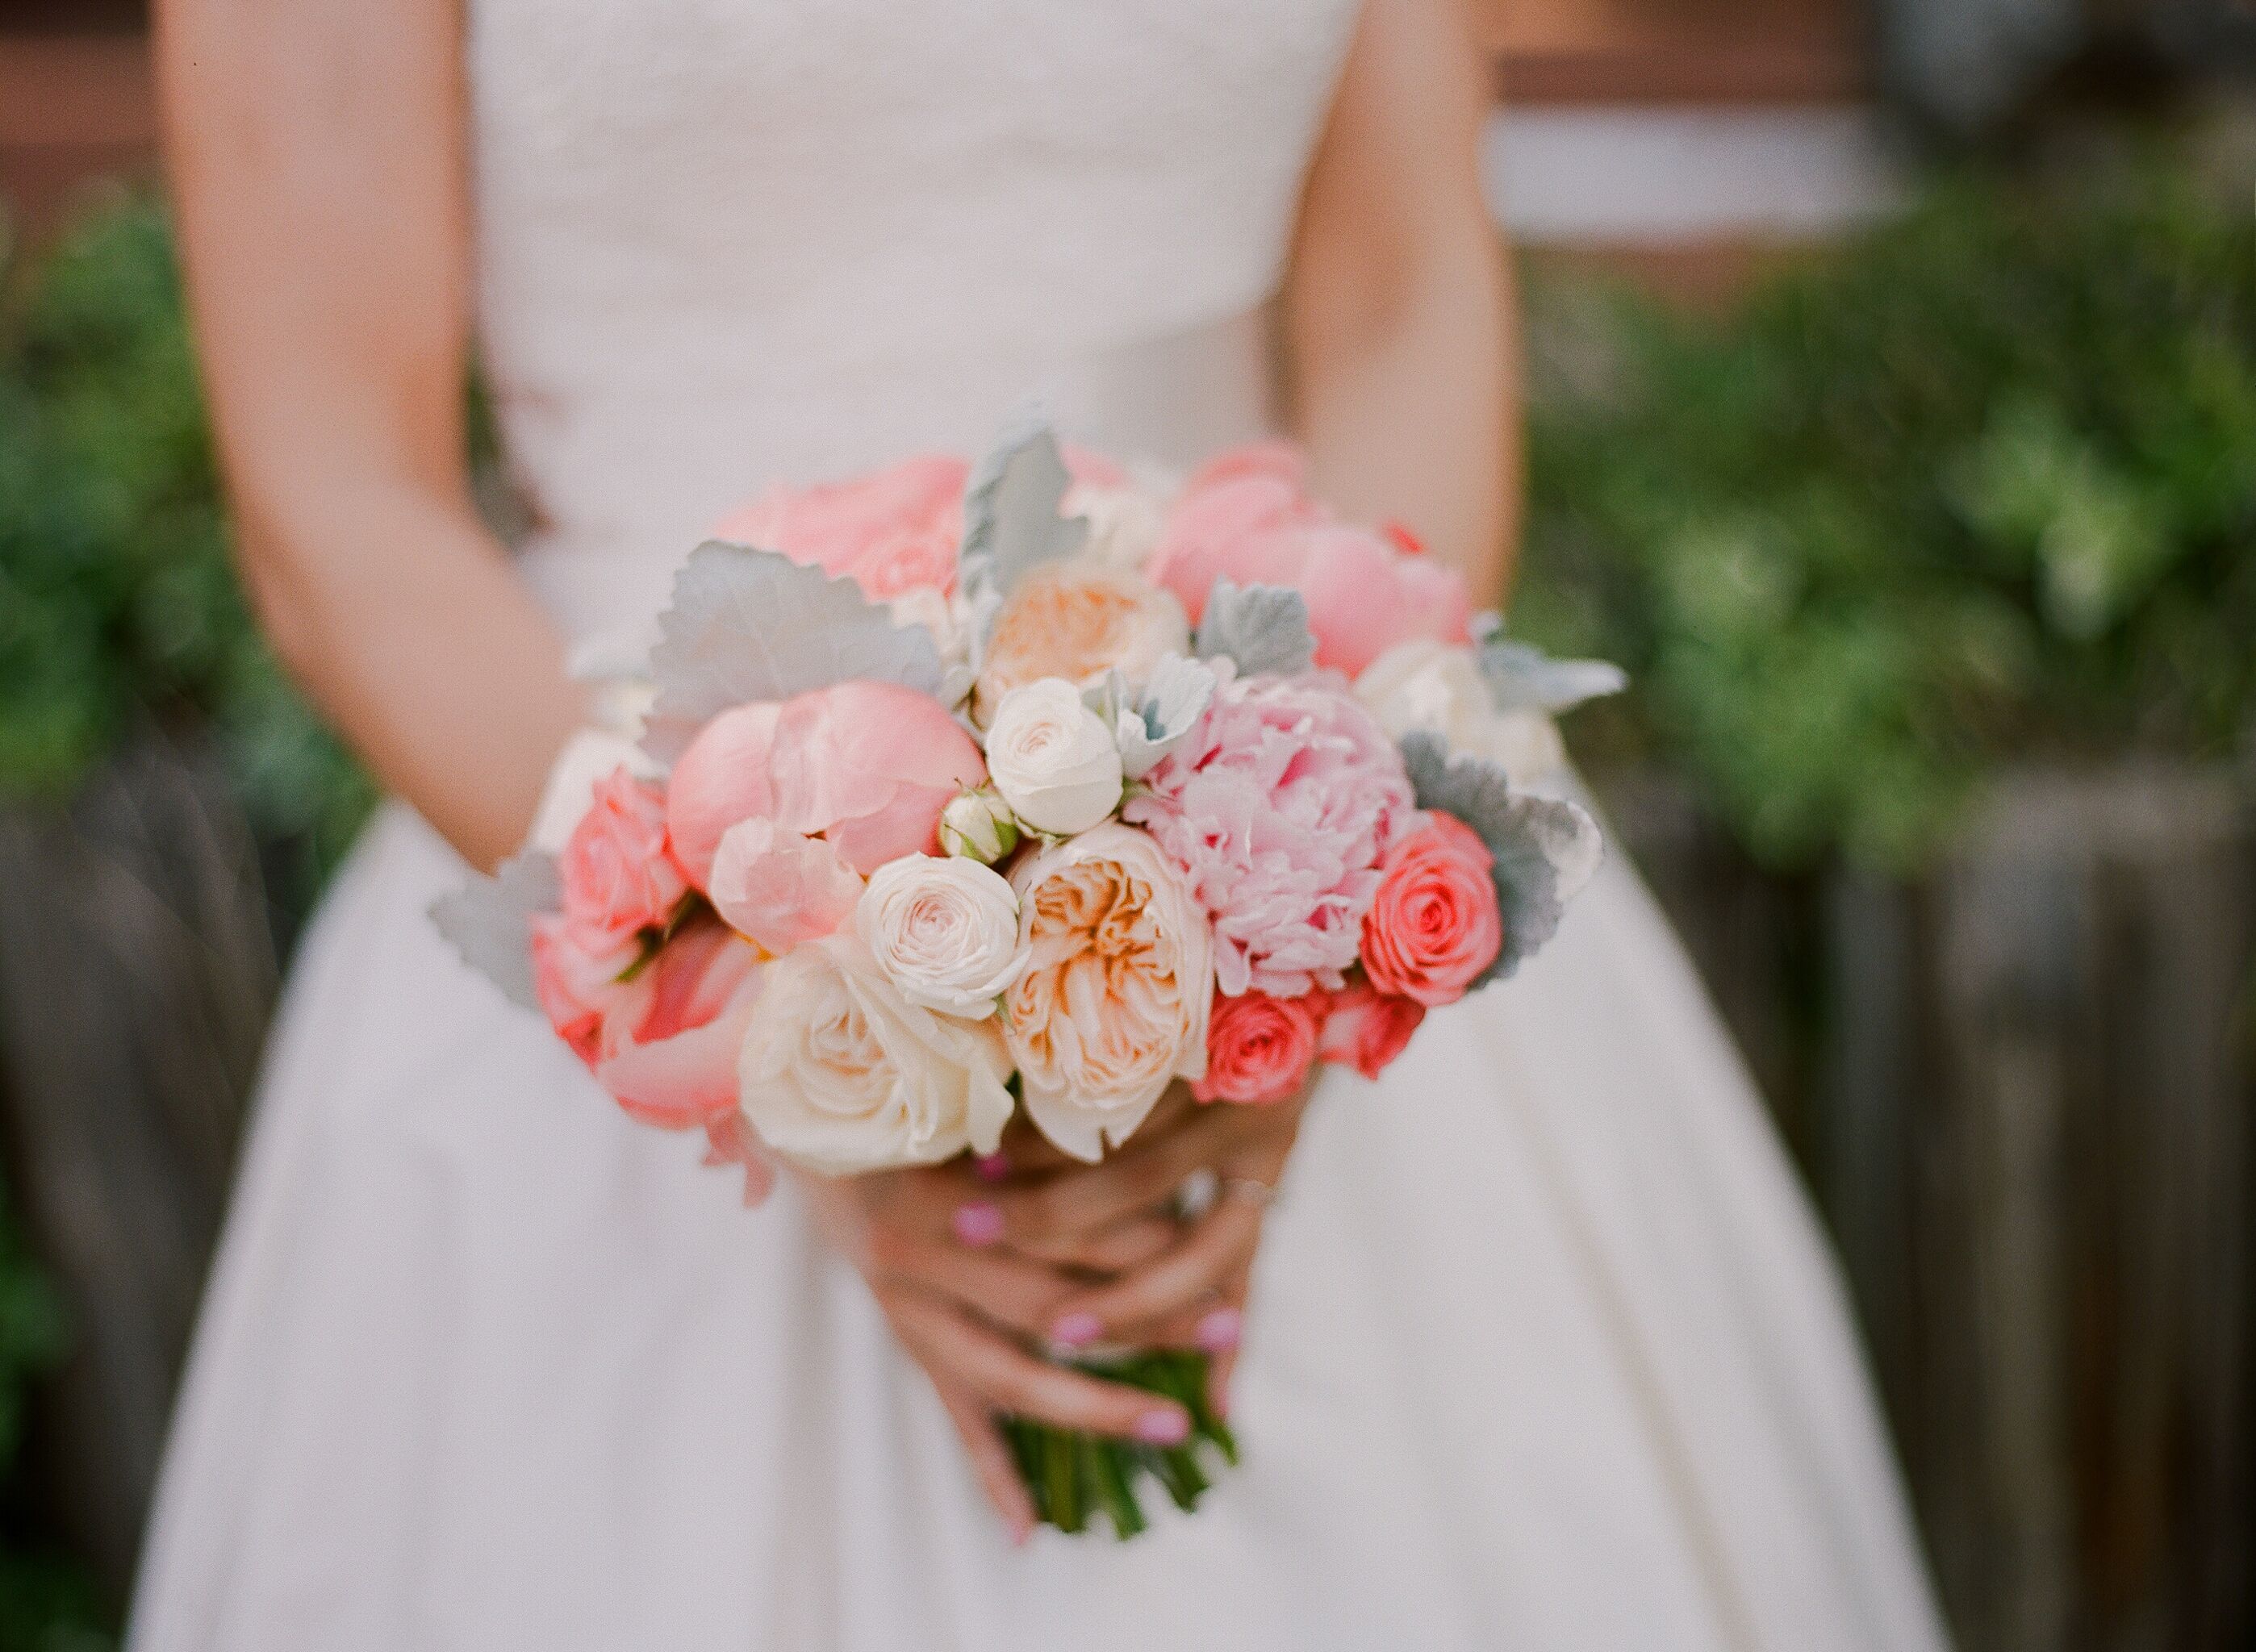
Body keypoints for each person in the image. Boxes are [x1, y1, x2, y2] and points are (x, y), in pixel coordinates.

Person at [130, 0, 1951, 1646]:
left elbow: (1402, 298)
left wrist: (1288, 918)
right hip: (611, 852)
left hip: (1272, 771)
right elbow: (338, 503)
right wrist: (793, 1022)